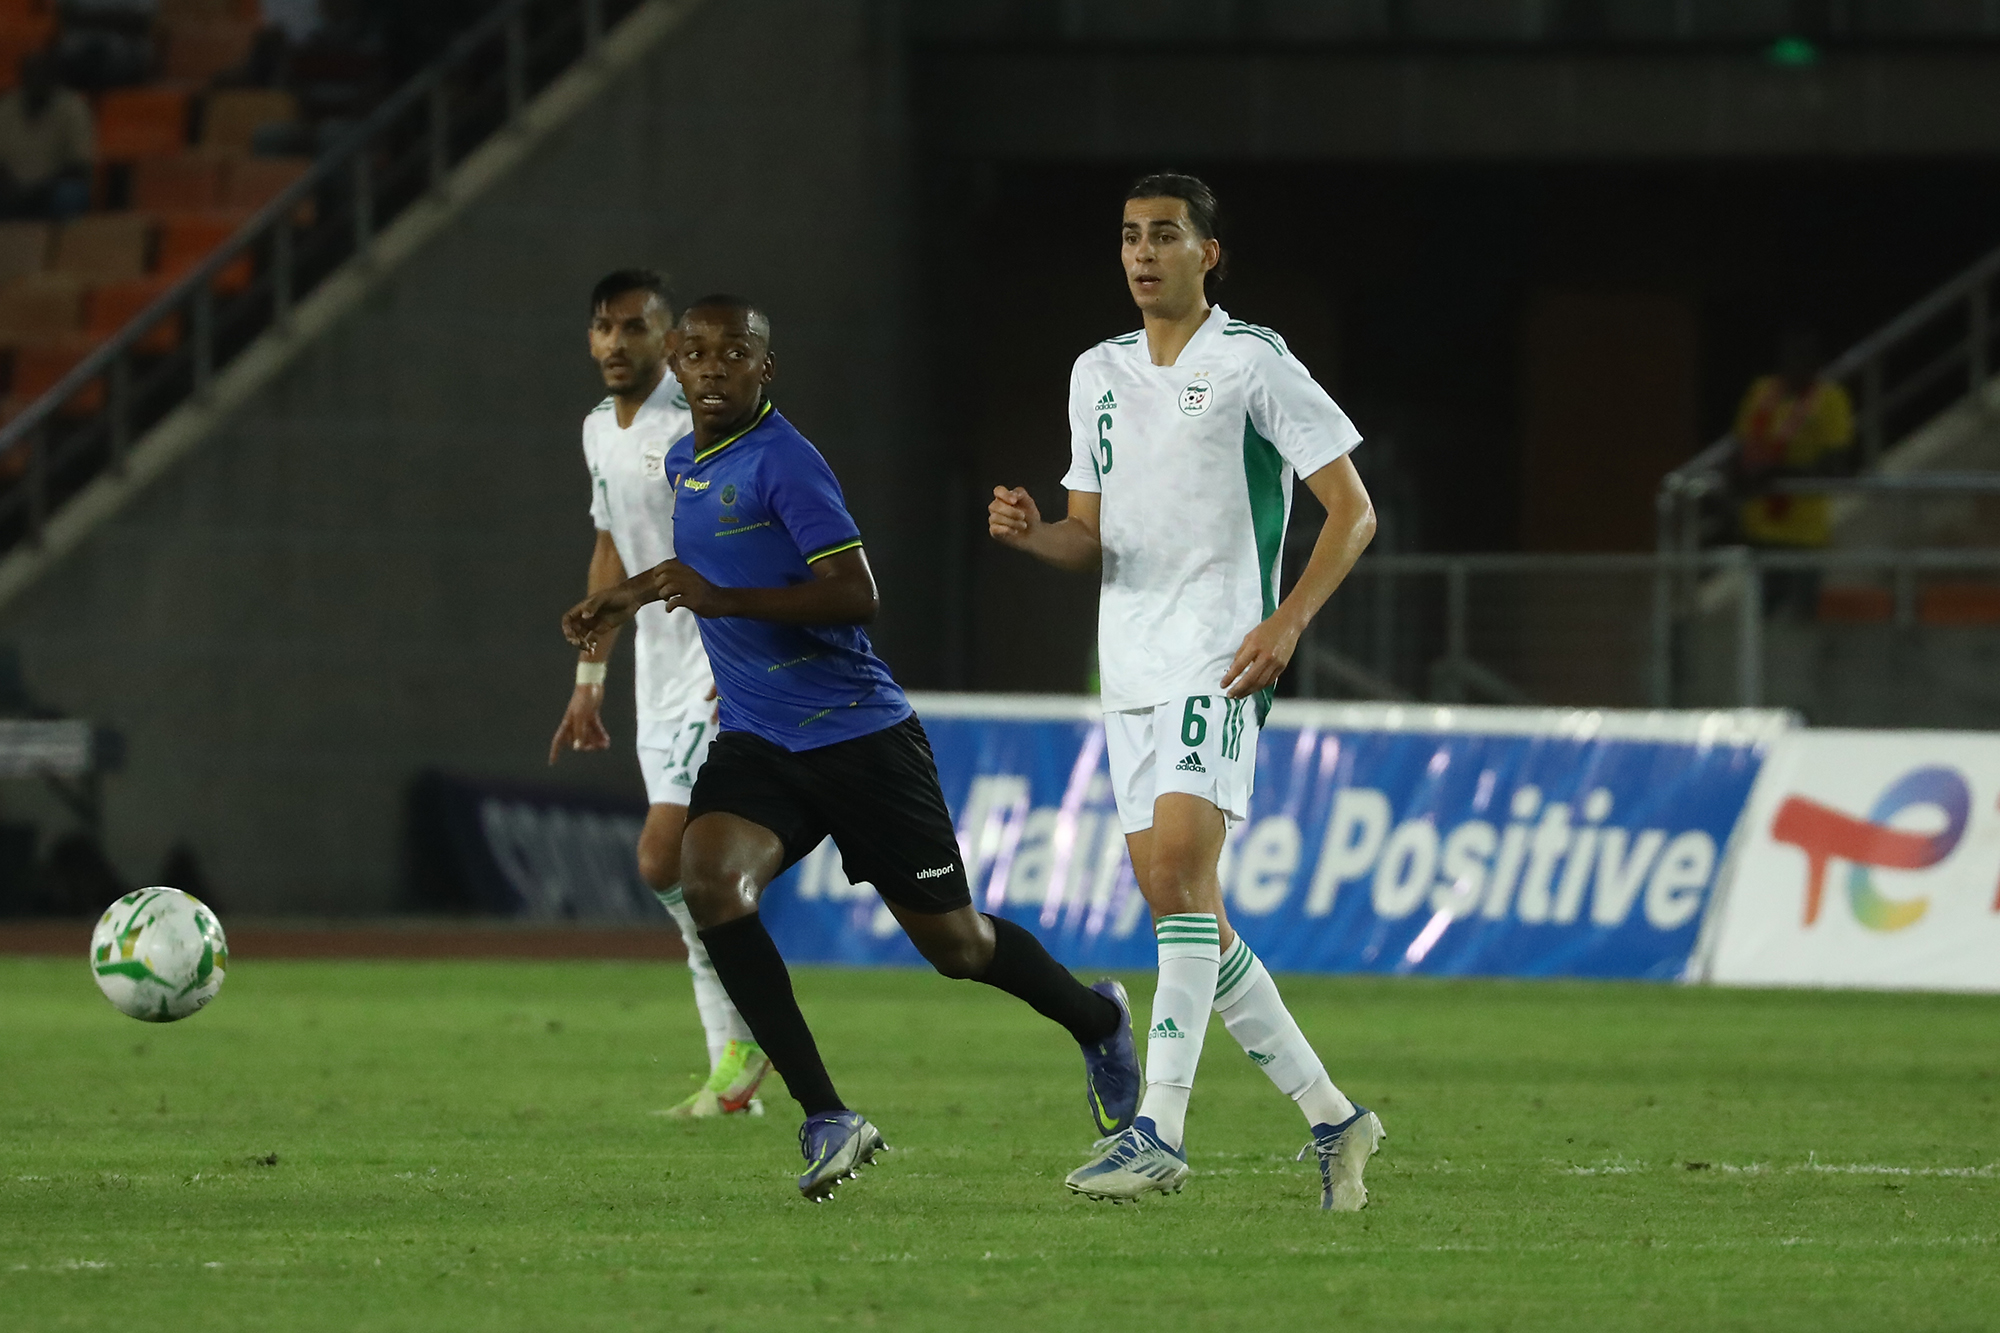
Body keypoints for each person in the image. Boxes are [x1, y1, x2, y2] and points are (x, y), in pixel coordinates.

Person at [562, 296, 1141, 1202]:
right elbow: (708, 570)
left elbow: (855, 594)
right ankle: (827, 1113)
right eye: (697, 353)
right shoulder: (684, 461)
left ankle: (1096, 1017)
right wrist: (628, 596)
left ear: (765, 367)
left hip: (861, 739)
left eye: (733, 353)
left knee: (957, 946)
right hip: (758, 739)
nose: (712, 368)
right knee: (709, 881)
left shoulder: (786, 462)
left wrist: (722, 600)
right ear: (676, 362)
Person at [987, 173, 1385, 1210]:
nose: (1141, 252)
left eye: (1164, 235)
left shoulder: (1253, 361)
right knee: (1186, 904)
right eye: (1129, 236)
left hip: (1220, 654)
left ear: (1208, 254)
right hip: (1127, 667)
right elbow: (1089, 535)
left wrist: (1285, 621)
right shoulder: (1097, 371)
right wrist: (1035, 535)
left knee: (1174, 875)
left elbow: (1351, 511)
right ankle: (1334, 1117)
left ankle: (1156, 1128)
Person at [548, 269, 770, 1119]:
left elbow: (738, 540)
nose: (616, 343)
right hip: (657, 669)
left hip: (716, 661)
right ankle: (733, 1069)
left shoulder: (695, 426)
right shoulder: (597, 430)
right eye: (604, 328)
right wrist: (589, 678)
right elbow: (610, 546)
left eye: (634, 328)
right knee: (684, 871)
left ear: (669, 343)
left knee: (661, 858)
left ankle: (750, 1032)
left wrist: (741, 650)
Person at [1734, 325, 1855, 618]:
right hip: (1760, 526)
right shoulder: (1762, 391)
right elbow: (1741, 449)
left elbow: (1836, 464)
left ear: (1816, 365)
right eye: (1791, 358)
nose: (1796, 367)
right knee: (1760, 618)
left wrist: (1781, 473)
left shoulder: (1829, 399)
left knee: (1800, 621)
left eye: (1804, 359)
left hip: (1805, 533)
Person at [0, 53, 93, 221]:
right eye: (31, 75)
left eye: (41, 75)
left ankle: (61, 239)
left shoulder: (72, 108)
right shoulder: (6, 107)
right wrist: (12, 187)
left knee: (70, 194)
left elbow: (79, 166)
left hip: (53, 188)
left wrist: (43, 188)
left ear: (52, 77)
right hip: (12, 189)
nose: (36, 81)